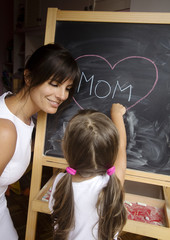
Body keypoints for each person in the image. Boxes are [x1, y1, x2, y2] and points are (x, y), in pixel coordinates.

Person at [0, 43, 80, 240]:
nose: (62, 95)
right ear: (28, 77)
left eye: (67, 88)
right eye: (54, 84)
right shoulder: (5, 130)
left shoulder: (25, 117)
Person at [49, 103, 127, 240]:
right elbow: (121, 147)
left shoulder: (60, 182)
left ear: (66, 150)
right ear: (111, 153)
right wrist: (117, 115)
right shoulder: (113, 182)